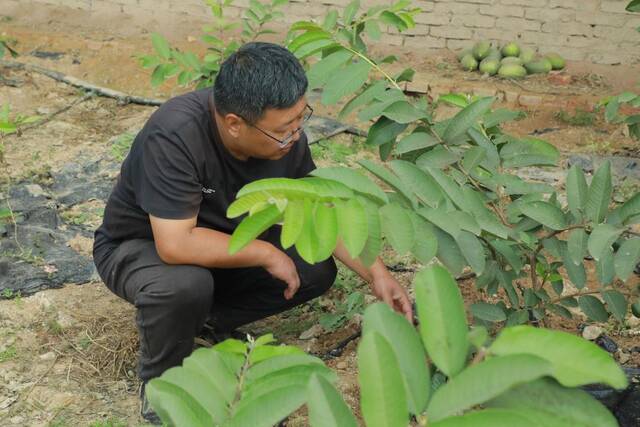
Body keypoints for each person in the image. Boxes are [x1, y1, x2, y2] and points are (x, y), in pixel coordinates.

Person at [92, 41, 412, 424]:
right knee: (183, 285)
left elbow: (318, 211)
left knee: (315, 265)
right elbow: (176, 244)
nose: (294, 136)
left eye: (300, 120)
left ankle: (204, 324)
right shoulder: (176, 134)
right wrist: (265, 253)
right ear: (234, 123)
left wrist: (377, 274)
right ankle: (163, 382)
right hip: (142, 248)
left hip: (222, 246)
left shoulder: (286, 139)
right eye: (283, 130)